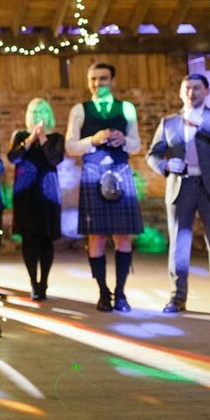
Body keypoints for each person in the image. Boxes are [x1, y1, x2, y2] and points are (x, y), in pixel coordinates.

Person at [147, 74, 210, 317]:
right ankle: (177, 298)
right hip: (182, 186)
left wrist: (202, 124)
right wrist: (166, 166)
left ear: (207, 91)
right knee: (179, 245)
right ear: (181, 92)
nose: (191, 93)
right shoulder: (169, 122)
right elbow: (153, 154)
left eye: (197, 88)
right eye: (187, 88)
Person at [66, 62, 143, 312]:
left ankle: (121, 293)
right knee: (96, 236)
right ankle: (103, 293)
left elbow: (137, 145)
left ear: (113, 80)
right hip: (92, 173)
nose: (98, 84)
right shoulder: (80, 109)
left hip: (120, 172)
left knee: (123, 237)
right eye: (93, 80)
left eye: (103, 78)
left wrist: (124, 140)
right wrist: (92, 140)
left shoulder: (127, 108)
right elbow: (70, 146)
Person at [8, 98, 65, 301]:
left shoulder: (56, 137)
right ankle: (33, 282)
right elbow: (13, 157)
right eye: (35, 111)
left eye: (43, 111)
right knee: (29, 240)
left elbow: (55, 159)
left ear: (49, 114)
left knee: (46, 239)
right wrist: (31, 139)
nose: (39, 115)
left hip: (48, 194)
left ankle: (44, 282)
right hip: (25, 195)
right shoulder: (21, 136)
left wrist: (42, 139)